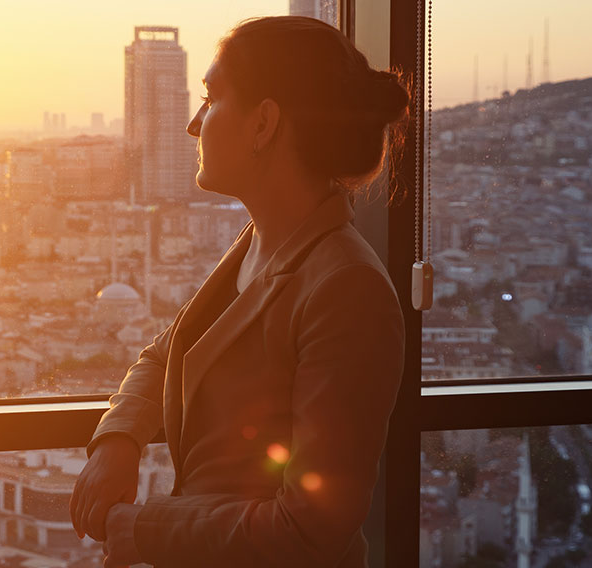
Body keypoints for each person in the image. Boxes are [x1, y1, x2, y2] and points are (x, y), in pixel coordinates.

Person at [69, 16, 410, 567]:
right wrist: (119, 440)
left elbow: (309, 528)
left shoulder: (348, 289)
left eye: (210, 99)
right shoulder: (263, 242)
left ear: (263, 124)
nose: (193, 124)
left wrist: (145, 529)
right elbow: (167, 352)